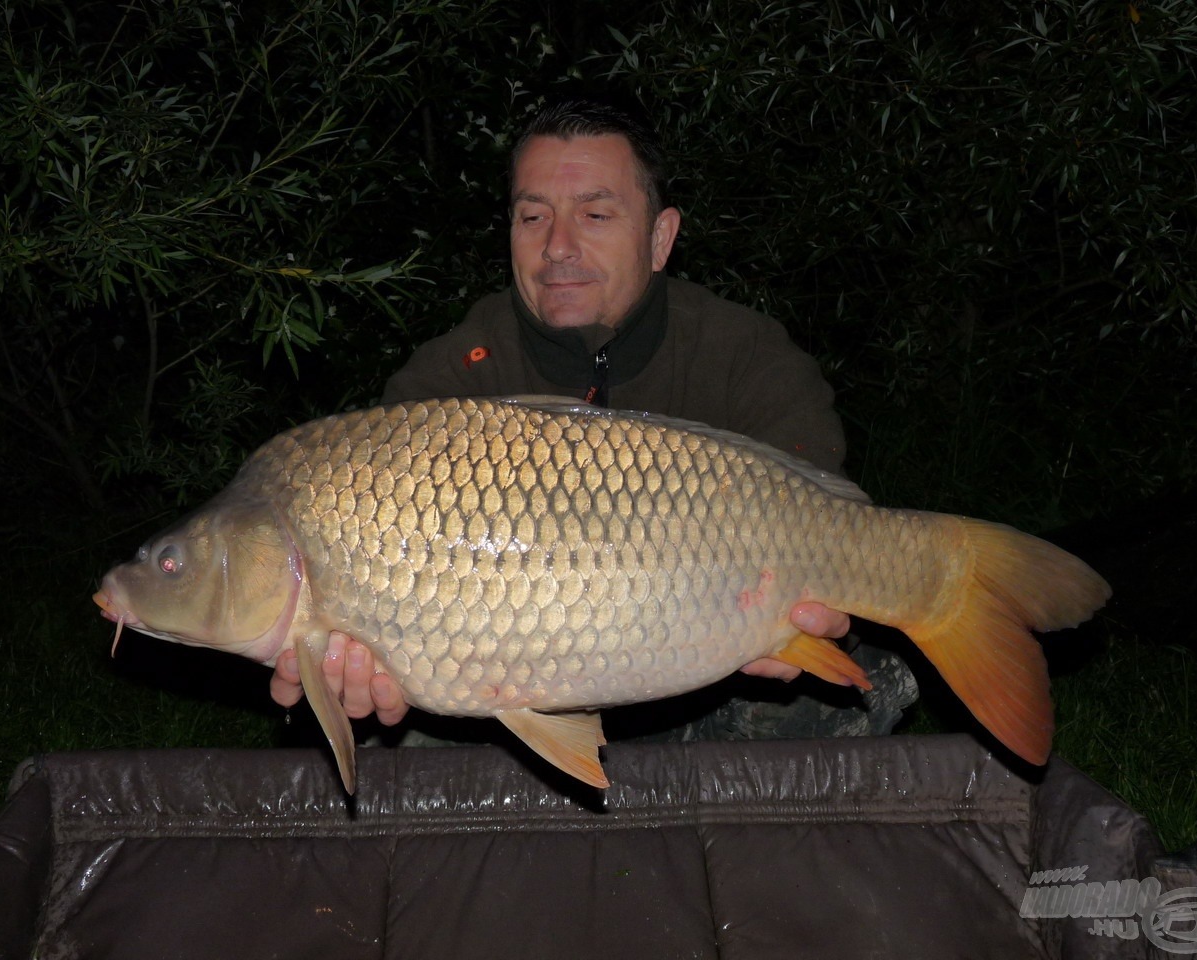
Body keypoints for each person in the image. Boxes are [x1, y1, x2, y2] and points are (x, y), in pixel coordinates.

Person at [270, 97, 896, 734]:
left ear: (660, 238)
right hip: (501, 682)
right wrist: (362, 670)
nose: (557, 247)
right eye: (532, 216)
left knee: (869, 675)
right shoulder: (446, 386)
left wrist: (809, 619)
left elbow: (827, 518)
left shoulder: (747, 357)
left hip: (711, 675)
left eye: (595, 214)